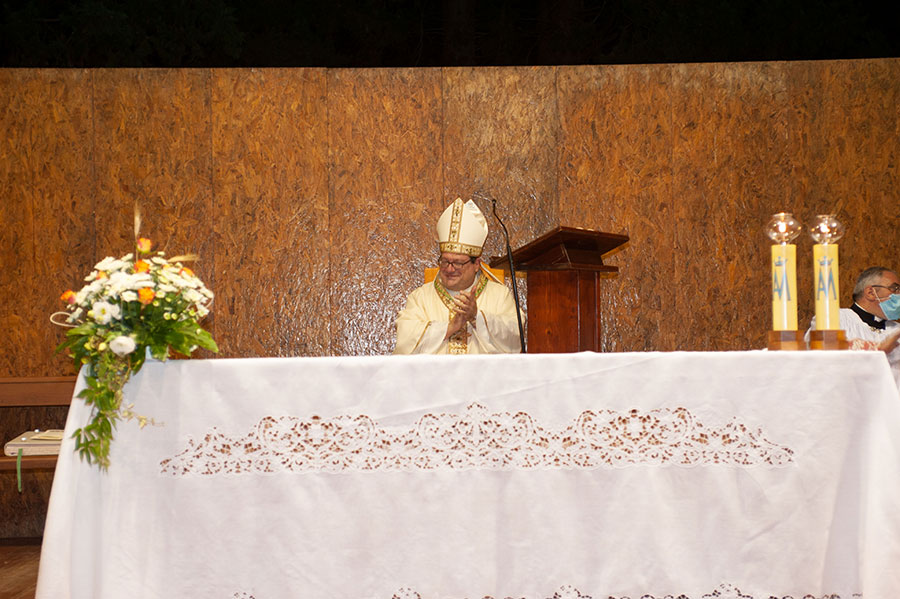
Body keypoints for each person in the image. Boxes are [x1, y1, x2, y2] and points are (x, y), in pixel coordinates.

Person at [394, 198, 521, 355]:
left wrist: (476, 317)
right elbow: (405, 340)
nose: (449, 268)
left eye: (458, 263)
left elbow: (515, 337)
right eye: (445, 261)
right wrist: (449, 329)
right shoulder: (420, 298)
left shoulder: (500, 296)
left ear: (476, 264)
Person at [806, 266, 900, 386]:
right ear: (871, 293)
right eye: (895, 289)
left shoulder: (896, 329)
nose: (899, 294)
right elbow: (822, 358)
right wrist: (876, 349)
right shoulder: (833, 319)